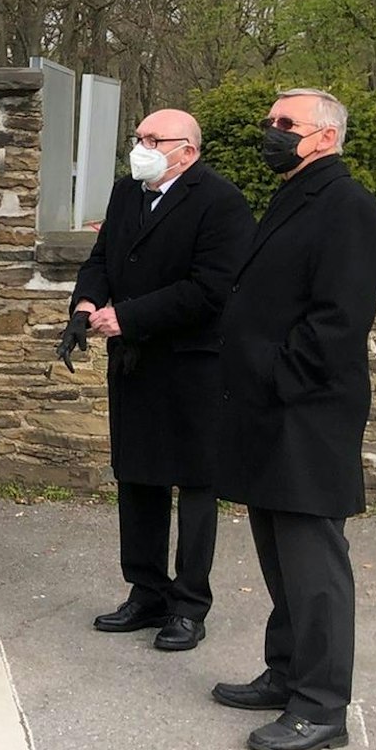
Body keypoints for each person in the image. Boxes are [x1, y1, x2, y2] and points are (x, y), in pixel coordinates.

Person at [211, 88, 376, 750]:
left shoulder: (348, 207)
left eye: (286, 124)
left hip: (306, 414)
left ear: (326, 137)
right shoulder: (295, 193)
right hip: (267, 410)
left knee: (314, 567)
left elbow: (338, 321)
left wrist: (279, 377)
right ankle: (285, 673)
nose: (272, 132)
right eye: (271, 122)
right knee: (279, 555)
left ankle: (320, 707)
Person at [66, 109, 253, 653]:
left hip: (194, 362)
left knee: (195, 485)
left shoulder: (220, 202)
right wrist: (85, 304)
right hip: (135, 362)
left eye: (154, 139)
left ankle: (189, 605)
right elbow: (102, 258)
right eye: (139, 137)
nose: (141, 146)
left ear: (187, 151)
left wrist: (128, 315)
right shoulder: (128, 192)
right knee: (138, 477)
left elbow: (213, 288)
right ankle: (146, 590)